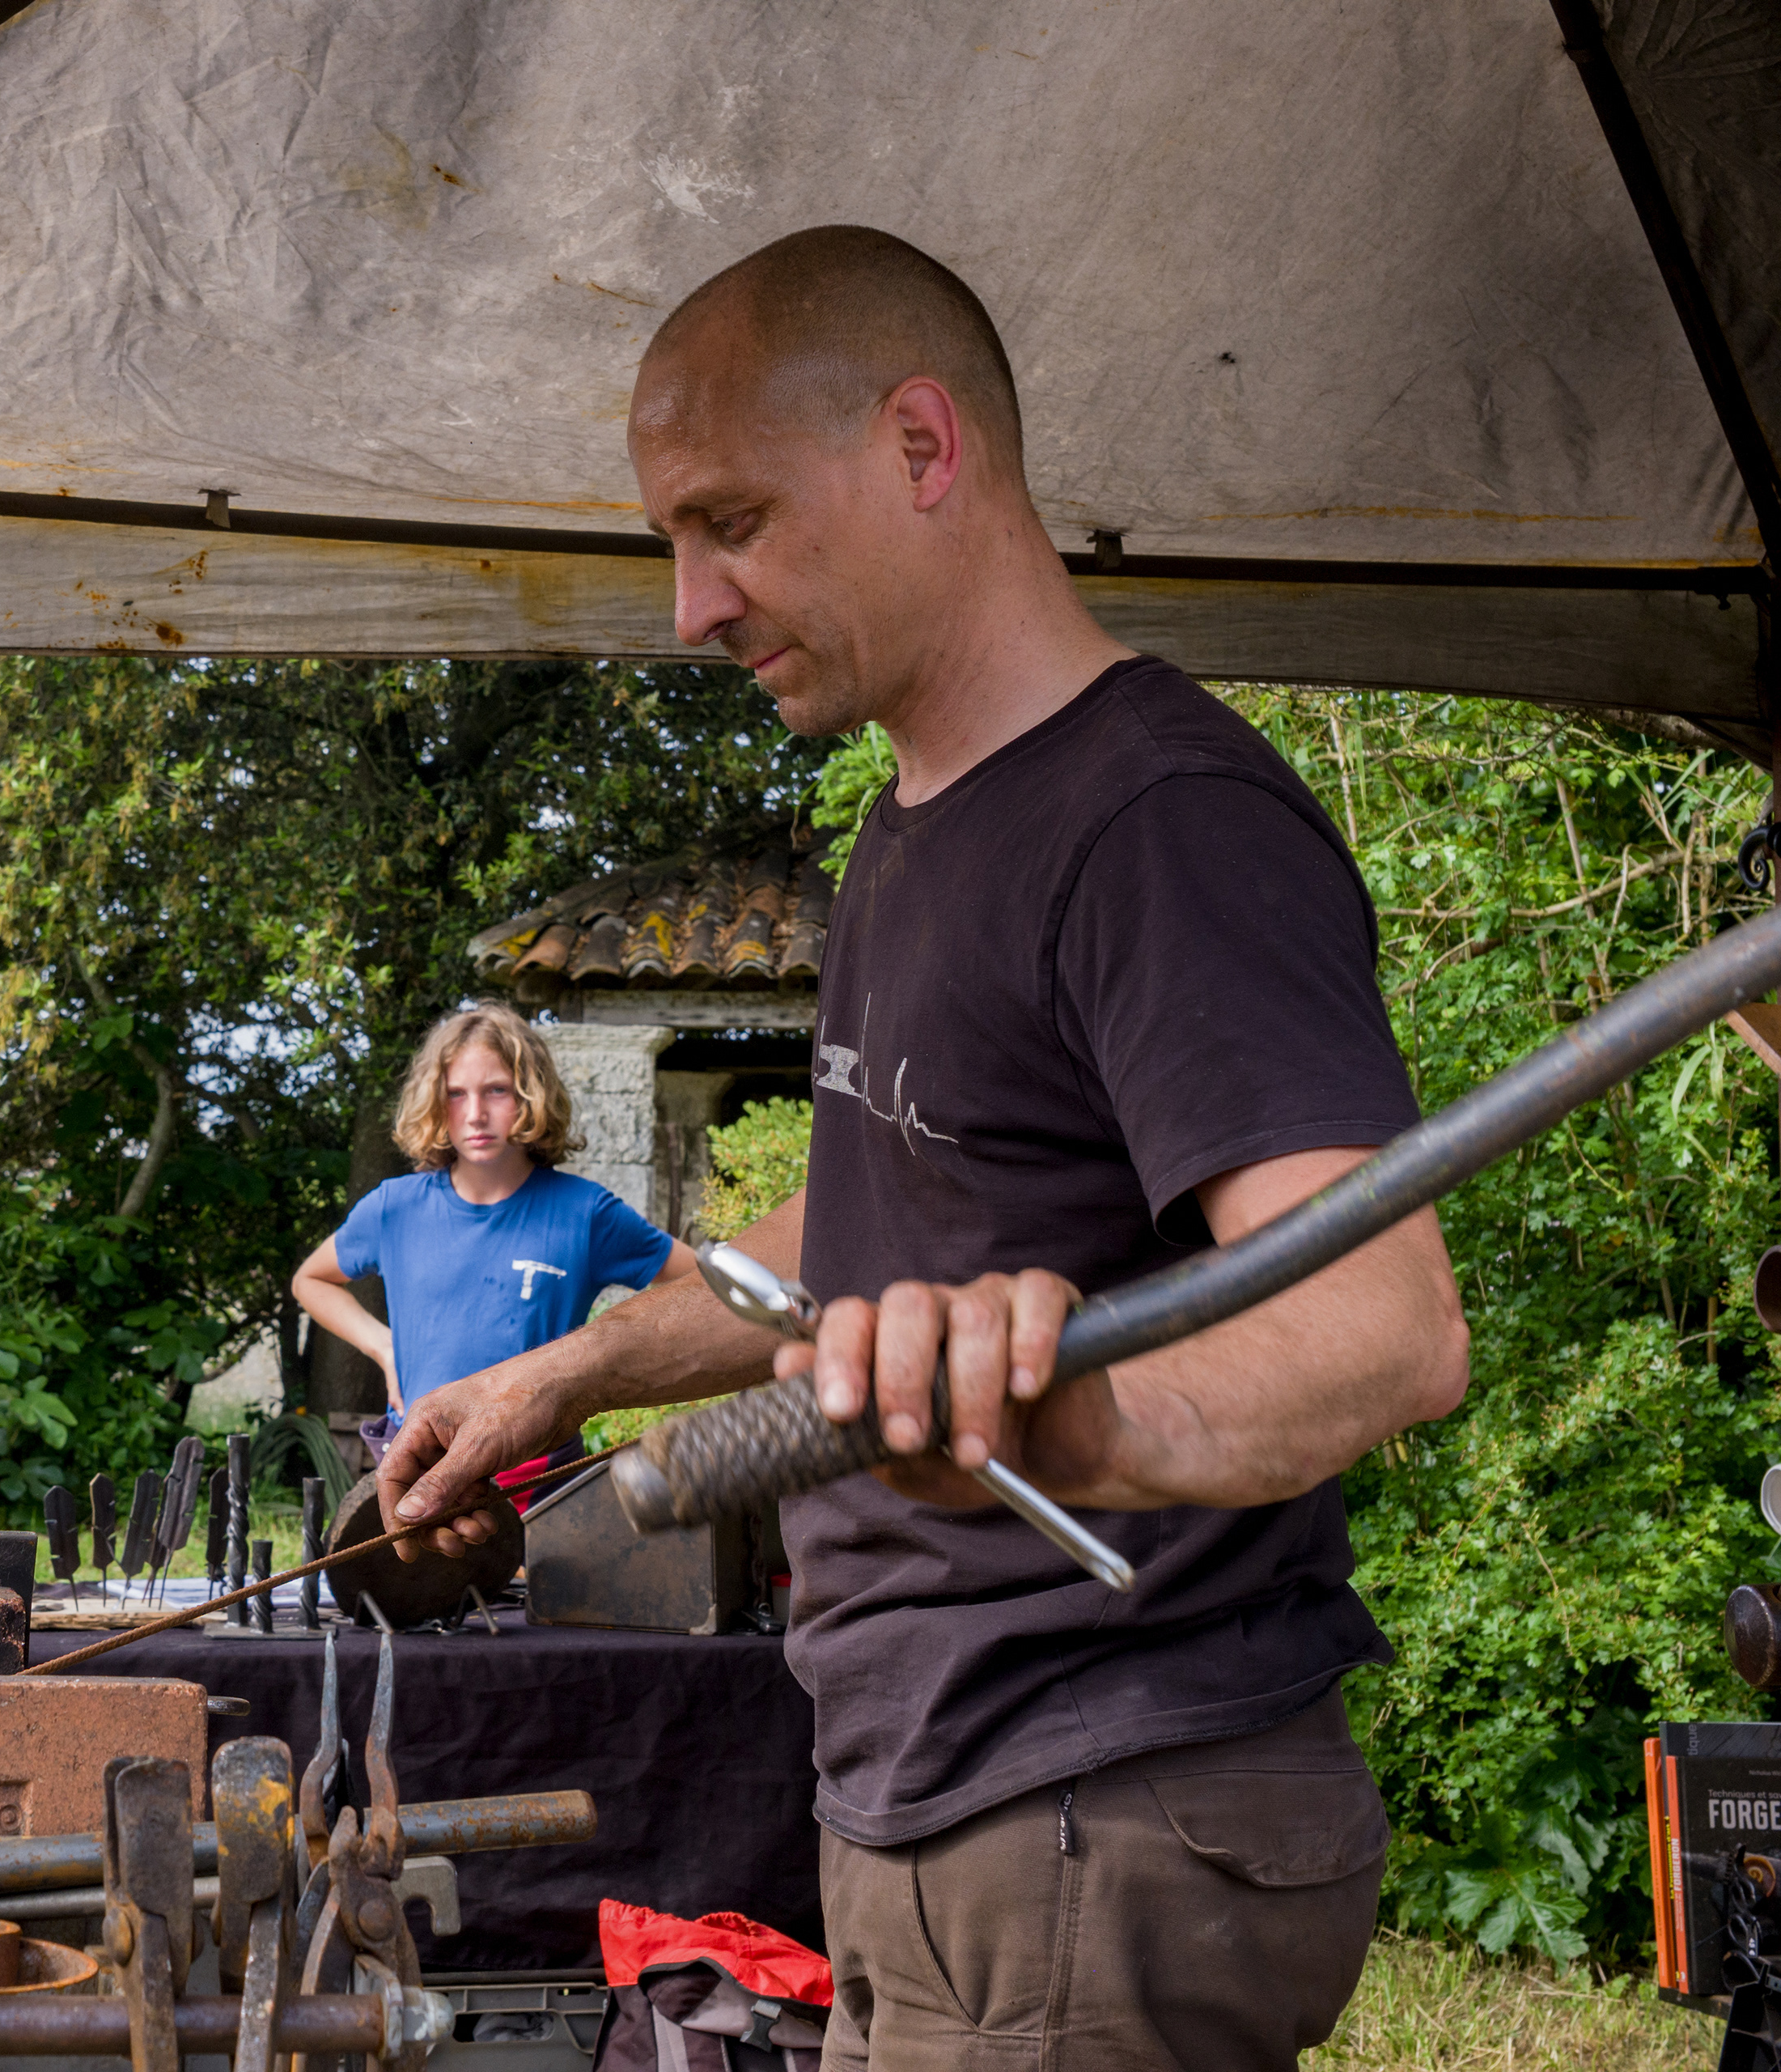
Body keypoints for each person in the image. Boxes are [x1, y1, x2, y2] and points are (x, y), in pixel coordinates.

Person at [374, 227, 1469, 2071]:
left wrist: (1049, 1421)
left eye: (729, 522)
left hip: (1092, 1800)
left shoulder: (1159, 824)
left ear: (918, 445)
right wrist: (557, 1373)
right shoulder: (918, 820)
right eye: (672, 542)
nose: (691, 606)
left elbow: (1385, 1328)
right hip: (939, 1788)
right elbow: (871, 1217)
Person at [292, 1004, 695, 1476]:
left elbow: (701, 1283)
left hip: (541, 1479)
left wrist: (608, 1356)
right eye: (455, 1094)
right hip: (420, 1466)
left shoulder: (586, 1213)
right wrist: (384, 1346)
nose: (475, 1114)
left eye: (496, 1090)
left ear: (531, 1094)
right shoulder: (393, 1208)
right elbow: (310, 1281)